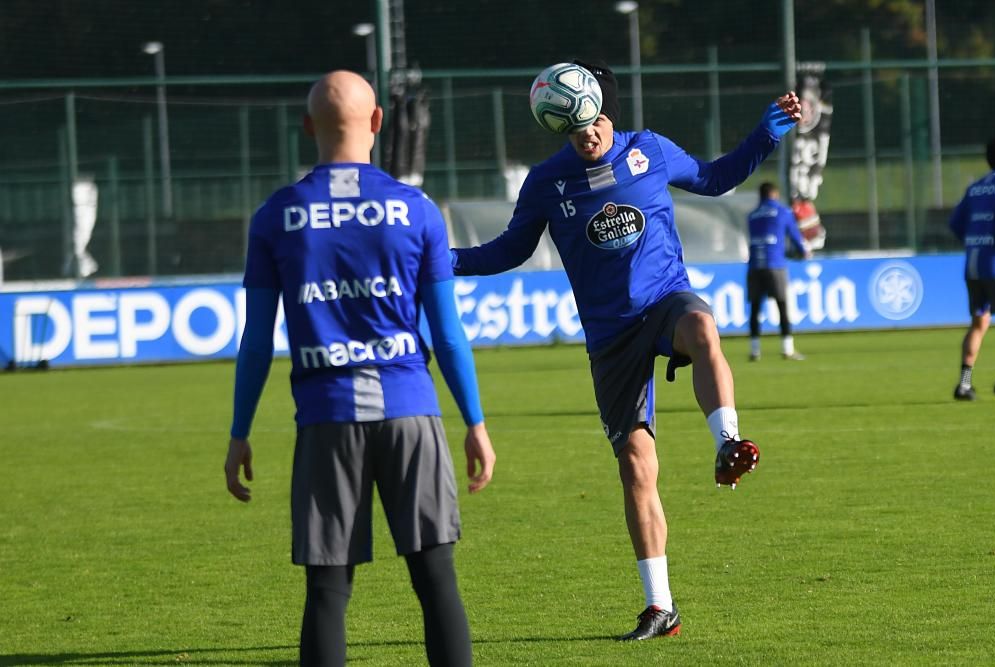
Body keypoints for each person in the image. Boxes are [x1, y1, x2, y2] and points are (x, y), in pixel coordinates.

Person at [451, 59, 801, 641]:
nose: (585, 136)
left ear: (604, 111)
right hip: (610, 336)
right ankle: (660, 607)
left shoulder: (649, 151)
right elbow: (509, 250)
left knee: (703, 328)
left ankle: (727, 442)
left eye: (591, 122)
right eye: (572, 130)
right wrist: (447, 259)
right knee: (637, 468)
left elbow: (714, 180)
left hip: (664, 299)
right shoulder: (547, 182)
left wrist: (765, 134)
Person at [224, 70, 496, 667]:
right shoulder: (417, 211)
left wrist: (240, 432)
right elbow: (446, 334)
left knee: (326, 590)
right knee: (436, 579)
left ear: (306, 128)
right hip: (411, 411)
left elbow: (254, 340)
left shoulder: (276, 216)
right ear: (377, 123)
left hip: (326, 419)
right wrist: (474, 422)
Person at [949, 136, 995, 401]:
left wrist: (975, 241)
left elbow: (956, 223)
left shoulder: (977, 187)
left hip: (973, 263)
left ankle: (964, 384)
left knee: (979, 323)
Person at [746, 181, 812, 361]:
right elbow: (795, 235)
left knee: (755, 308)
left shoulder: (752, 215)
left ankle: (755, 350)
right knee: (782, 305)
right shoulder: (783, 211)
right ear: (774, 194)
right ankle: (787, 348)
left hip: (754, 266)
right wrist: (804, 251)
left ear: (760, 195)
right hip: (775, 264)